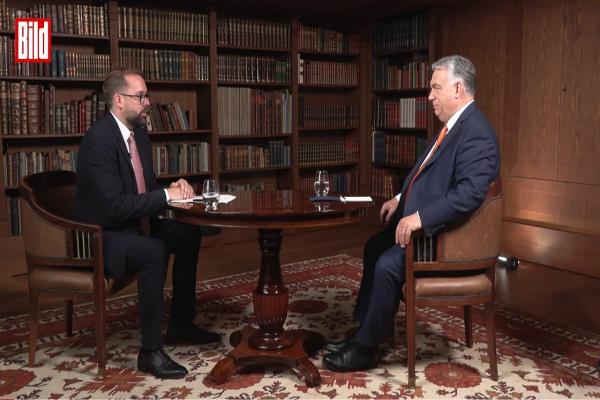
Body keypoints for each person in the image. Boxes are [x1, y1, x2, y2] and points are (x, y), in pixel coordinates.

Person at [323, 55, 501, 371]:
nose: (430, 96)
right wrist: (399, 197)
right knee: (374, 246)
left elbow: (469, 194)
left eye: (436, 88)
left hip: (447, 240)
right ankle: (366, 330)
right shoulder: (454, 126)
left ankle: (366, 349)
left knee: (387, 264)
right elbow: (426, 172)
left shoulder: (476, 132)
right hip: (433, 229)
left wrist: (420, 217)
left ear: (457, 88)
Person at [74, 69, 220, 379]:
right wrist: (165, 196)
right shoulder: (98, 141)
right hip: (104, 235)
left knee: (187, 234)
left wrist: (173, 189)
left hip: (135, 224)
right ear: (118, 100)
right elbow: (115, 207)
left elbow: (146, 188)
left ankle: (181, 324)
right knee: (154, 251)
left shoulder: (138, 134)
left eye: (147, 96)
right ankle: (150, 352)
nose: (148, 102)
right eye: (141, 96)